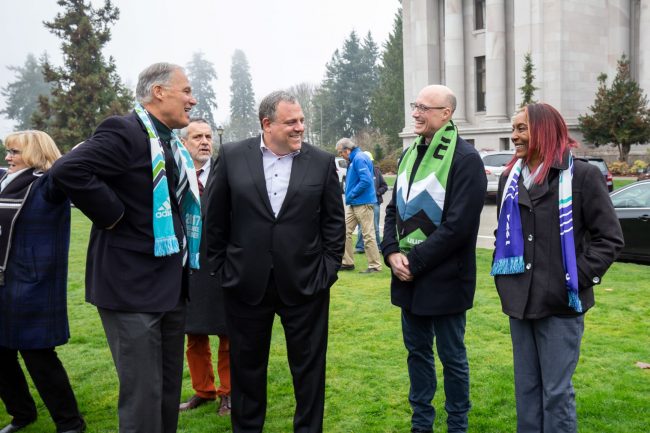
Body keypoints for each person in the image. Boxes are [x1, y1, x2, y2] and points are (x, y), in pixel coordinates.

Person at [50, 62, 201, 433]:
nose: (192, 100)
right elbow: (68, 169)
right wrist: (113, 216)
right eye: (186, 91)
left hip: (169, 286)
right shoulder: (125, 131)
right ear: (159, 92)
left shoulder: (169, 142)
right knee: (142, 395)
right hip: (131, 287)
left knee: (166, 390)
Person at [206, 90, 345, 433]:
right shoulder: (234, 156)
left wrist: (326, 272)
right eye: (291, 122)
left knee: (309, 370)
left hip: (306, 284)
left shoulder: (322, 162)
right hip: (245, 283)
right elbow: (215, 218)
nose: (300, 127)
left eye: (301, 120)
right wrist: (222, 269)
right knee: (246, 369)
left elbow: (333, 223)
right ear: (266, 124)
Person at [491, 103, 624, 433]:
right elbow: (503, 233)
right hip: (520, 304)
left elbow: (609, 239)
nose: (514, 136)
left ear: (544, 130)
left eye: (522, 128)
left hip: (562, 306)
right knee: (526, 392)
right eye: (514, 128)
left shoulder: (582, 176)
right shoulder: (509, 178)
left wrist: (573, 279)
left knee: (556, 394)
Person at [382, 84, 486, 433]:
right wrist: (391, 252)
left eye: (425, 107)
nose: (416, 113)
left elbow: (459, 227)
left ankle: (458, 424)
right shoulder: (408, 155)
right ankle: (421, 423)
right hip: (408, 279)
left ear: (446, 114)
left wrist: (415, 262)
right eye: (415, 105)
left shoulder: (466, 160)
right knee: (417, 355)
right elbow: (393, 209)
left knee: (452, 358)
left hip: (445, 280)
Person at [0, 131, 86, 433]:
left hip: (33, 285)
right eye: (8, 152)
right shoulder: (4, 180)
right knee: (1, 354)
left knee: (38, 356)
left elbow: (73, 162)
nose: (8, 158)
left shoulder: (48, 185)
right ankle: (22, 415)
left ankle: (70, 423)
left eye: (14, 152)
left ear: (35, 153)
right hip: (3, 283)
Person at [177, 118, 231, 416]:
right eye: (197, 136)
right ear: (184, 142)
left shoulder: (225, 173)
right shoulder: (176, 175)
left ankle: (228, 393)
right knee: (193, 333)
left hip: (220, 264)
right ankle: (204, 390)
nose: (204, 141)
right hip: (188, 266)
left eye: (208, 136)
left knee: (227, 333)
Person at [336, 138, 382, 273]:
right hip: (354, 203)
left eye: (340, 152)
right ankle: (347, 263)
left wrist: (352, 194)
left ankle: (375, 266)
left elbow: (366, 180)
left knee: (368, 234)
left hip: (363, 203)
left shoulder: (359, 158)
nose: (340, 155)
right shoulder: (354, 159)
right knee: (344, 231)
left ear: (347, 150)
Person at [354, 150, 388, 253]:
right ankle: (360, 247)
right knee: (361, 226)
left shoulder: (376, 171)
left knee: (375, 226)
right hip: (362, 203)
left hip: (375, 202)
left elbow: (384, 186)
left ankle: (378, 247)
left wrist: (377, 193)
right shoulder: (357, 172)